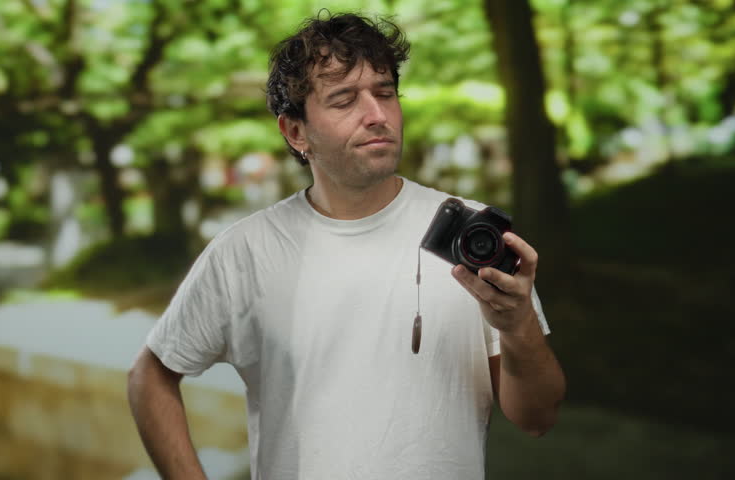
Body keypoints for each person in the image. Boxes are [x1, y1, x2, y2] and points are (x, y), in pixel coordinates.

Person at [128, 12, 566, 480]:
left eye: (385, 92)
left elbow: (537, 418)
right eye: (343, 100)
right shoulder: (246, 251)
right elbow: (150, 377)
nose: (377, 115)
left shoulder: (471, 235)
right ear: (296, 133)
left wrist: (517, 325)